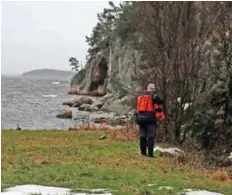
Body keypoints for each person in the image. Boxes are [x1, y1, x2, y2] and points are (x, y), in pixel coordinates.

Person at [135, 83, 164, 157]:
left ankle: (143, 153)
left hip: (140, 117)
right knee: (151, 135)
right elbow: (161, 101)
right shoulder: (153, 96)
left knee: (142, 135)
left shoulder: (140, 96)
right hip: (150, 117)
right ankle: (150, 154)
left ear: (147, 88)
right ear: (153, 89)